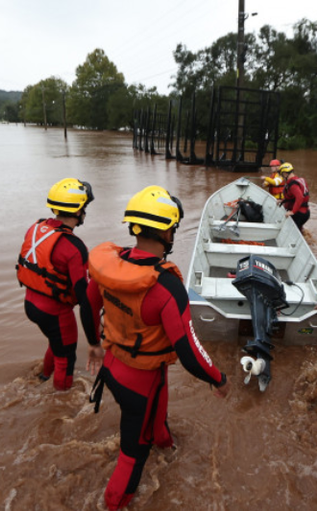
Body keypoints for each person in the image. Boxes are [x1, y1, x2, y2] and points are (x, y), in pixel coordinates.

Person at [86, 185, 231, 511]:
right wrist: (219, 378)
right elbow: (190, 351)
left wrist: (94, 345)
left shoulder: (111, 267)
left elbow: (87, 303)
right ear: (167, 231)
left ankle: (167, 447)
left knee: (156, 422)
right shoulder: (166, 286)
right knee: (132, 454)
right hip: (140, 382)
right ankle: (113, 504)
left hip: (111, 367)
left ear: (133, 226)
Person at [16, 178, 100, 391]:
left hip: (31, 304)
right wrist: (94, 341)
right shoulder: (74, 247)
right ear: (79, 211)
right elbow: (84, 299)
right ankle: (59, 407)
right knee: (66, 358)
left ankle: (44, 378)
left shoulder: (36, 228)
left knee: (56, 342)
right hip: (55, 313)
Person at [279, 162, 310, 232]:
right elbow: (293, 197)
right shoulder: (299, 180)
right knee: (299, 231)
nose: (283, 177)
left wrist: (293, 211)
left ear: (285, 173)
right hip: (305, 212)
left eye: (282, 175)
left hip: (298, 214)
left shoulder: (293, 185)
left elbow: (300, 197)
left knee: (290, 232)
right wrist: (282, 200)